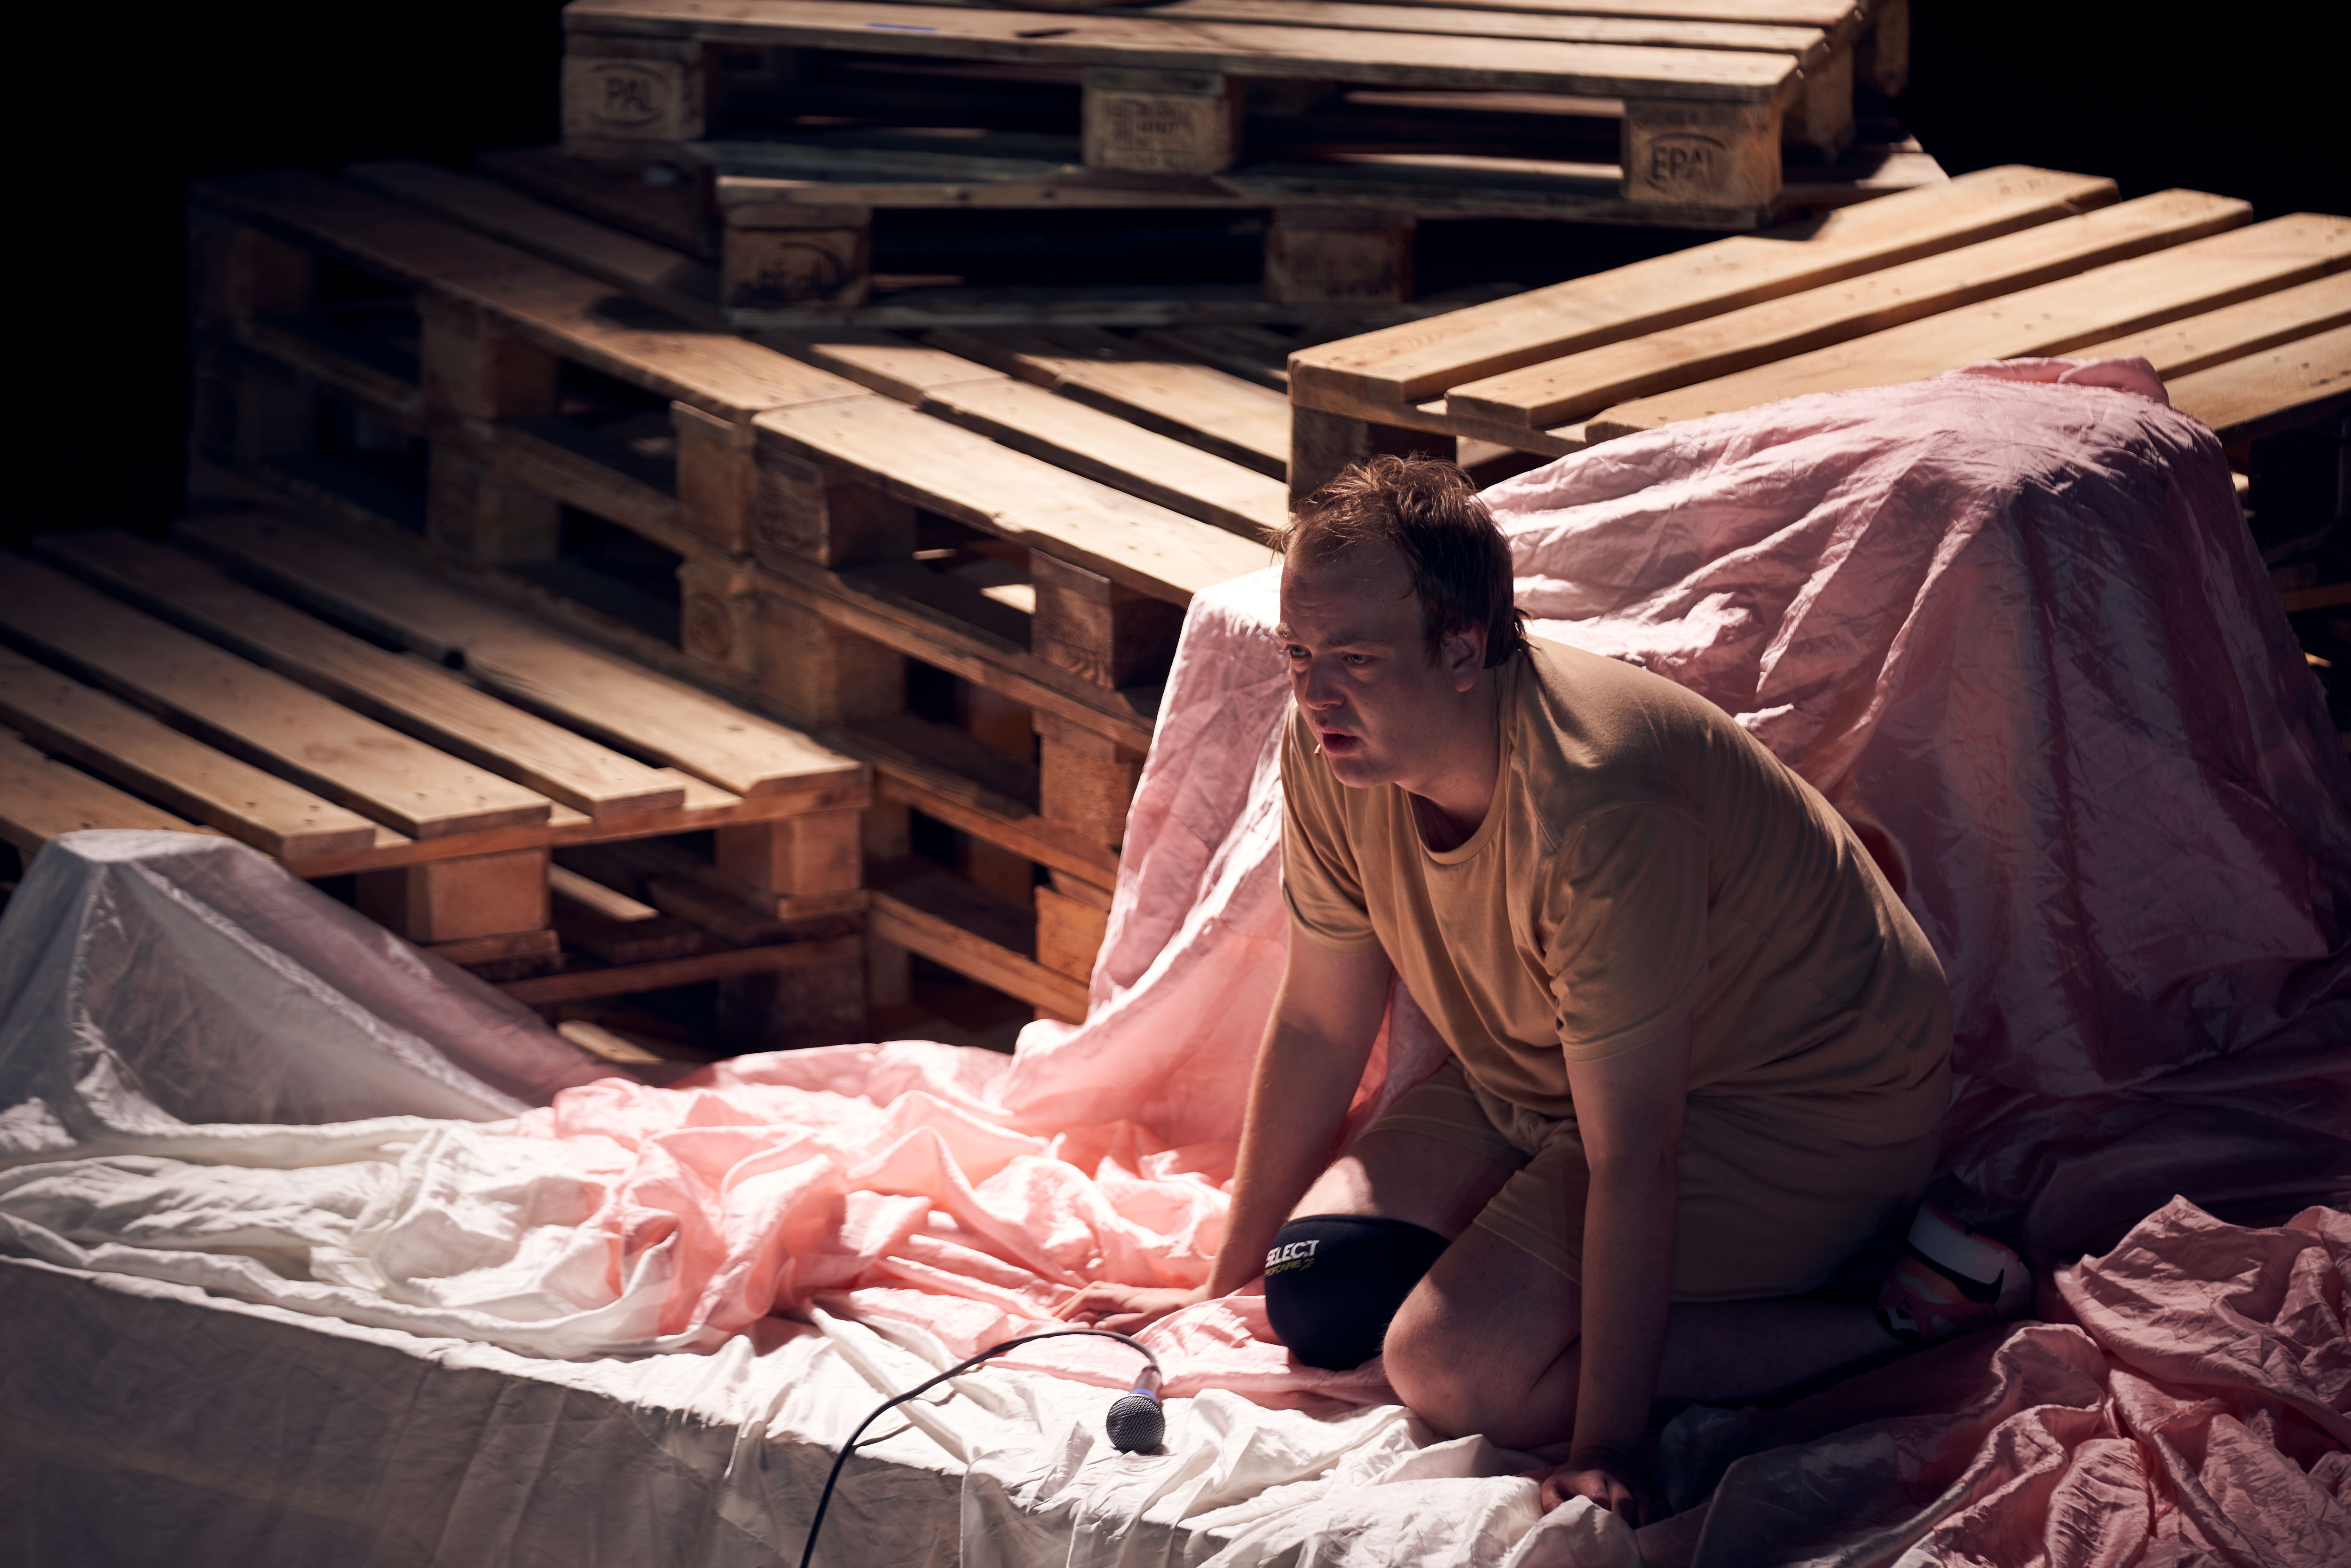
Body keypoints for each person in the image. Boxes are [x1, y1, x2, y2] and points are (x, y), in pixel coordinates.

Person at [1059, 457, 2027, 1521]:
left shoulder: (1598, 804)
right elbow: (1320, 1022)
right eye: (1298, 653)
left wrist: (1602, 1443)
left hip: (1792, 1098)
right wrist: (1215, 1286)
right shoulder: (1332, 742)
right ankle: (1586, 1284)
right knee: (1317, 1290)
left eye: (1357, 658)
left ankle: (1907, 1311)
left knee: (1454, 1372)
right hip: (1554, 1066)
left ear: (1462, 647)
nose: (1316, 691)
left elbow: (1637, 1151)